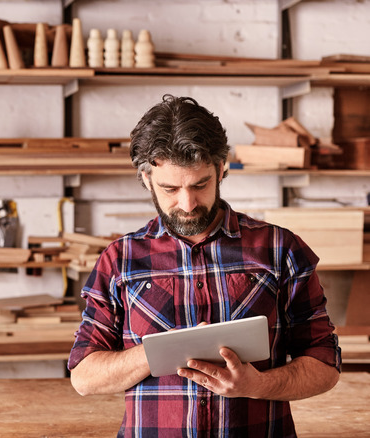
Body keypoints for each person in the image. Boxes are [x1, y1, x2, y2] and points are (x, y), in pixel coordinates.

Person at [68, 94, 341, 437]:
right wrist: (159, 351)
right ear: (146, 178)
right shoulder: (120, 259)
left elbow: (325, 365)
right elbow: (83, 376)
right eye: (170, 188)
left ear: (222, 167)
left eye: (200, 184)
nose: (187, 203)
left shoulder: (279, 249)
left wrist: (257, 385)